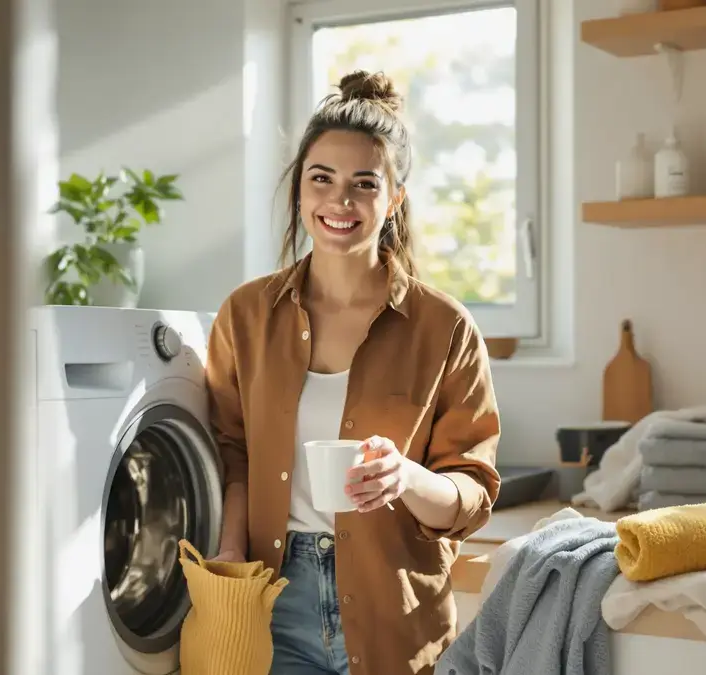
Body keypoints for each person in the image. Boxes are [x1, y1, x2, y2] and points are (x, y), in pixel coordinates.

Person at [204, 69, 502, 675]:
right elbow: (231, 452)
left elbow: (472, 494)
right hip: (269, 599)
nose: (339, 202)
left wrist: (407, 477)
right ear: (299, 192)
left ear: (393, 199)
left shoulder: (443, 327)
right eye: (322, 180)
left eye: (363, 184)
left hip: (393, 611)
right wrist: (231, 558)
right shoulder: (245, 315)